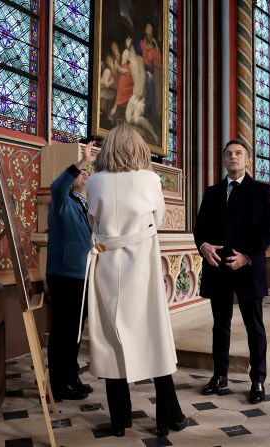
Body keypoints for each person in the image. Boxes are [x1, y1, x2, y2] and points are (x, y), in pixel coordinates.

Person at [82, 124, 187, 437]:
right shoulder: (150, 179)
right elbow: (159, 214)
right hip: (141, 267)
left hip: (105, 264)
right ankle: (167, 416)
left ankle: (120, 419)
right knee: (152, 336)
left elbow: (92, 219)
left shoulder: (96, 181)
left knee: (110, 338)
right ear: (138, 148)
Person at [194, 139, 270, 404]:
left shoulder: (262, 191)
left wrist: (248, 256)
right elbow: (200, 229)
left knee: (255, 326)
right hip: (218, 267)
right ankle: (220, 376)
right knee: (220, 325)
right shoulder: (212, 192)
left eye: (239, 153)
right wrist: (204, 246)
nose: (233, 157)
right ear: (223, 159)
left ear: (247, 159)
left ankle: (258, 380)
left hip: (248, 268)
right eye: (229, 153)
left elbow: (268, 231)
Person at [46, 141, 96, 401]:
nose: (84, 175)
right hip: (64, 275)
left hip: (84, 276)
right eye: (81, 173)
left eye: (87, 173)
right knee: (63, 331)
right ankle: (58, 383)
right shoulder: (62, 201)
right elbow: (57, 185)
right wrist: (82, 162)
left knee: (75, 332)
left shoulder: (85, 206)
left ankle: (71, 376)